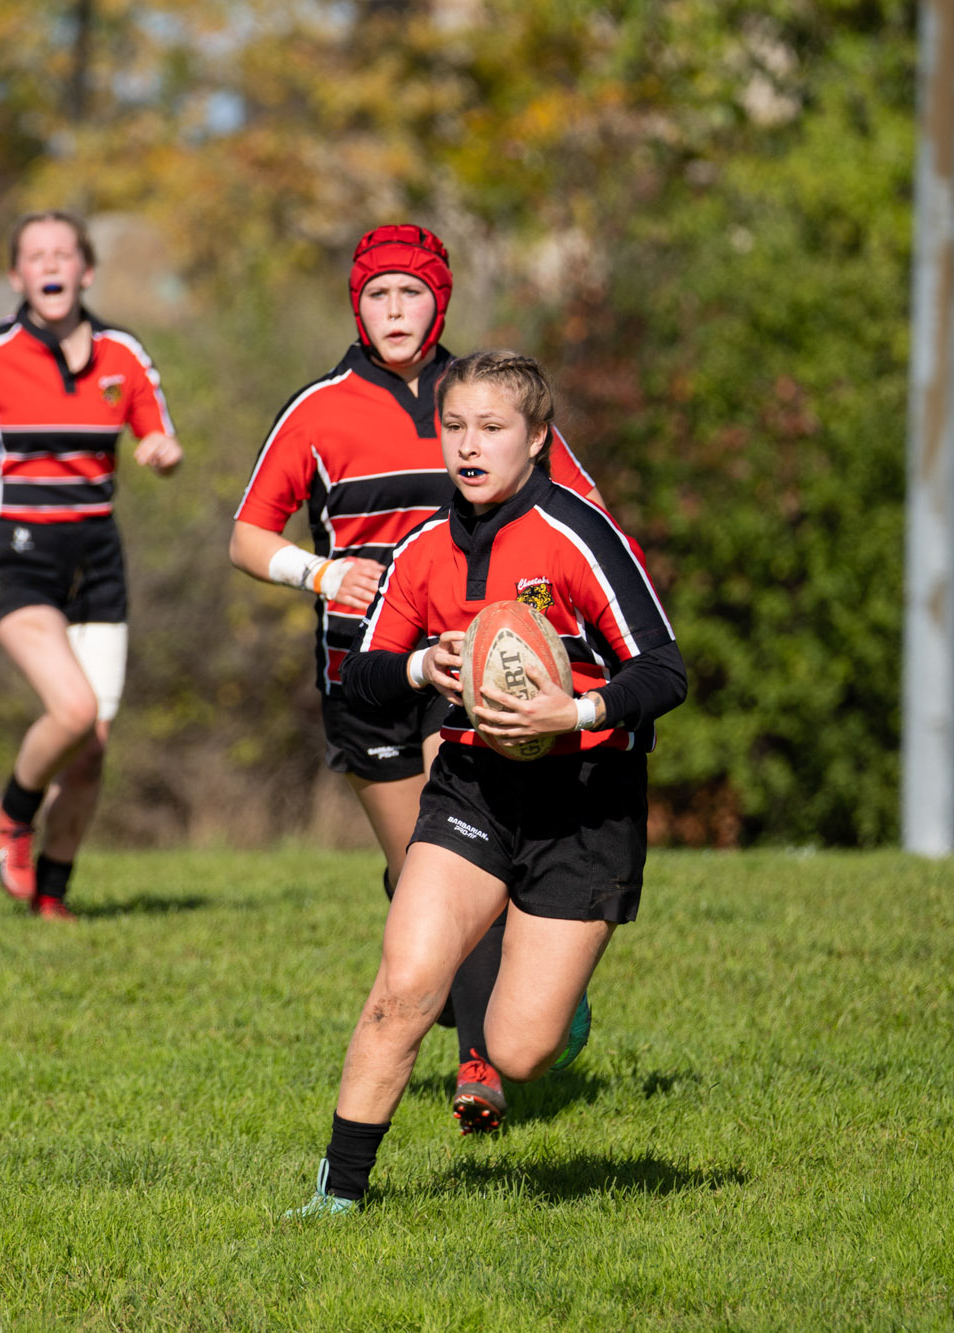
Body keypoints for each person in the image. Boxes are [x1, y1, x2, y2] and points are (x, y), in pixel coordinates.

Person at [287, 350, 684, 1215]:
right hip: (471, 786)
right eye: (454, 427)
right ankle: (337, 1199)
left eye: (492, 428)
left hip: (585, 798)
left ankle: (547, 994)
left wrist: (573, 714)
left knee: (518, 1046)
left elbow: (663, 670)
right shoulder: (423, 546)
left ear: (536, 439)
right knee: (402, 991)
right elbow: (363, 676)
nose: (469, 445)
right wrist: (426, 663)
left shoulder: (579, 534)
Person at [228, 225, 605, 1131]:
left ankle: (482, 1061)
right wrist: (318, 574)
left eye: (410, 295)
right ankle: (503, 982)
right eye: (376, 297)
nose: (393, 312)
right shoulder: (316, 410)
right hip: (366, 676)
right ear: (356, 306)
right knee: (416, 875)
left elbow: (580, 507)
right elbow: (246, 537)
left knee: (458, 848)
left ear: (440, 302)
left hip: (467, 671)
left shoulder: (483, 399)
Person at [0, 211, 181, 919]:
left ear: (86, 271)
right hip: (14, 552)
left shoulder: (123, 353)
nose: (52, 264)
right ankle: (12, 811)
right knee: (74, 708)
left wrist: (160, 452)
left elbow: (160, 432)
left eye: (65, 253)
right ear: (17, 276)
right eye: (37, 255)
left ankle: (53, 901)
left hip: (95, 556)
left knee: (91, 746)